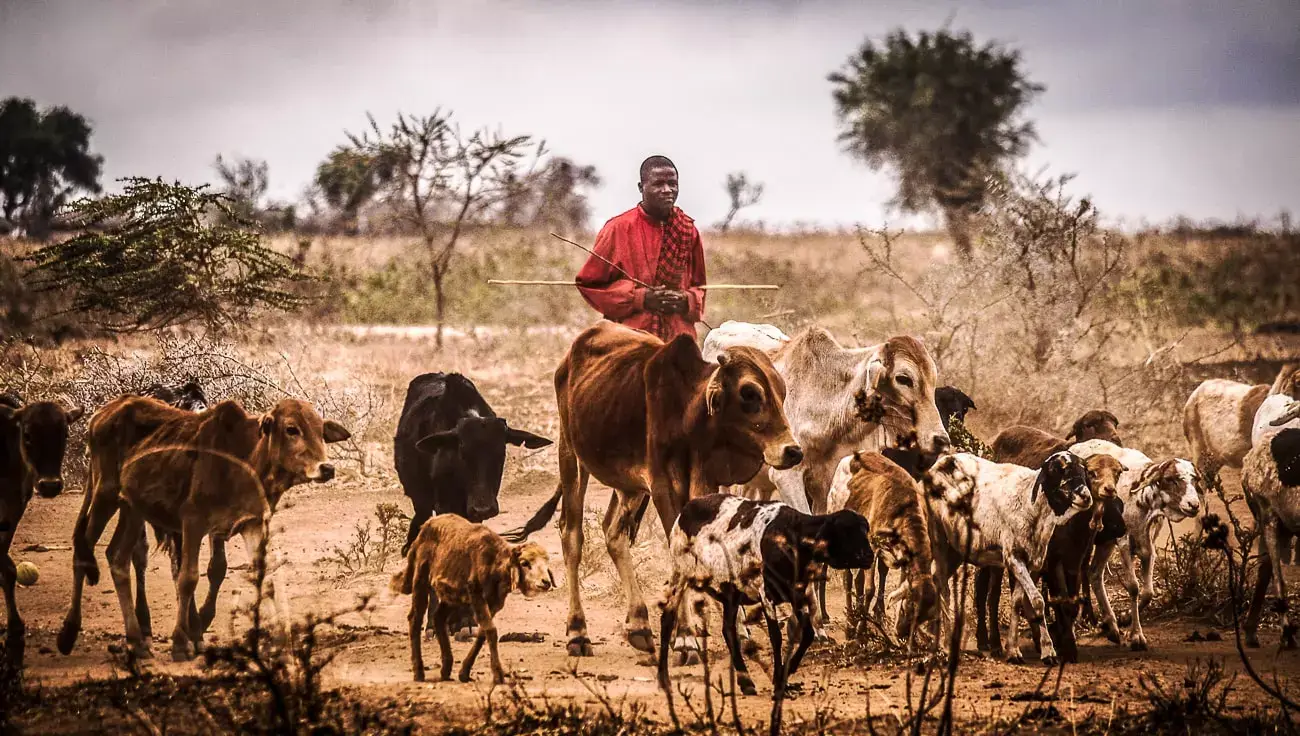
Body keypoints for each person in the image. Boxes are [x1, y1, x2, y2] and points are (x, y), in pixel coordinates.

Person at [575, 155, 706, 343]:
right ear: (641, 188)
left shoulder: (687, 229)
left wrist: (686, 300)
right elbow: (590, 284)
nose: (667, 190)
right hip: (628, 339)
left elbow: (700, 287)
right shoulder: (618, 228)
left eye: (672, 184)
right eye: (658, 184)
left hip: (679, 339)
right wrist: (639, 298)